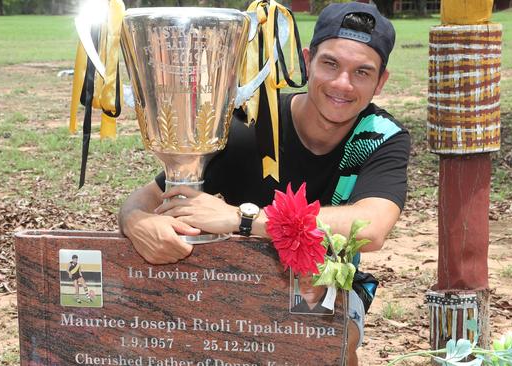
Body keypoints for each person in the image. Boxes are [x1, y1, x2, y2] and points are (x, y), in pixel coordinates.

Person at [119, 3, 409, 365]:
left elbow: (371, 227)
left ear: (381, 81)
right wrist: (138, 223)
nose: (342, 84)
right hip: (228, 283)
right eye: (330, 64)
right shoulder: (248, 124)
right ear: (307, 61)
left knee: (329, 342)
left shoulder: (381, 137)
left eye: (362, 72)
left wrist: (241, 220)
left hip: (322, 284)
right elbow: (142, 200)